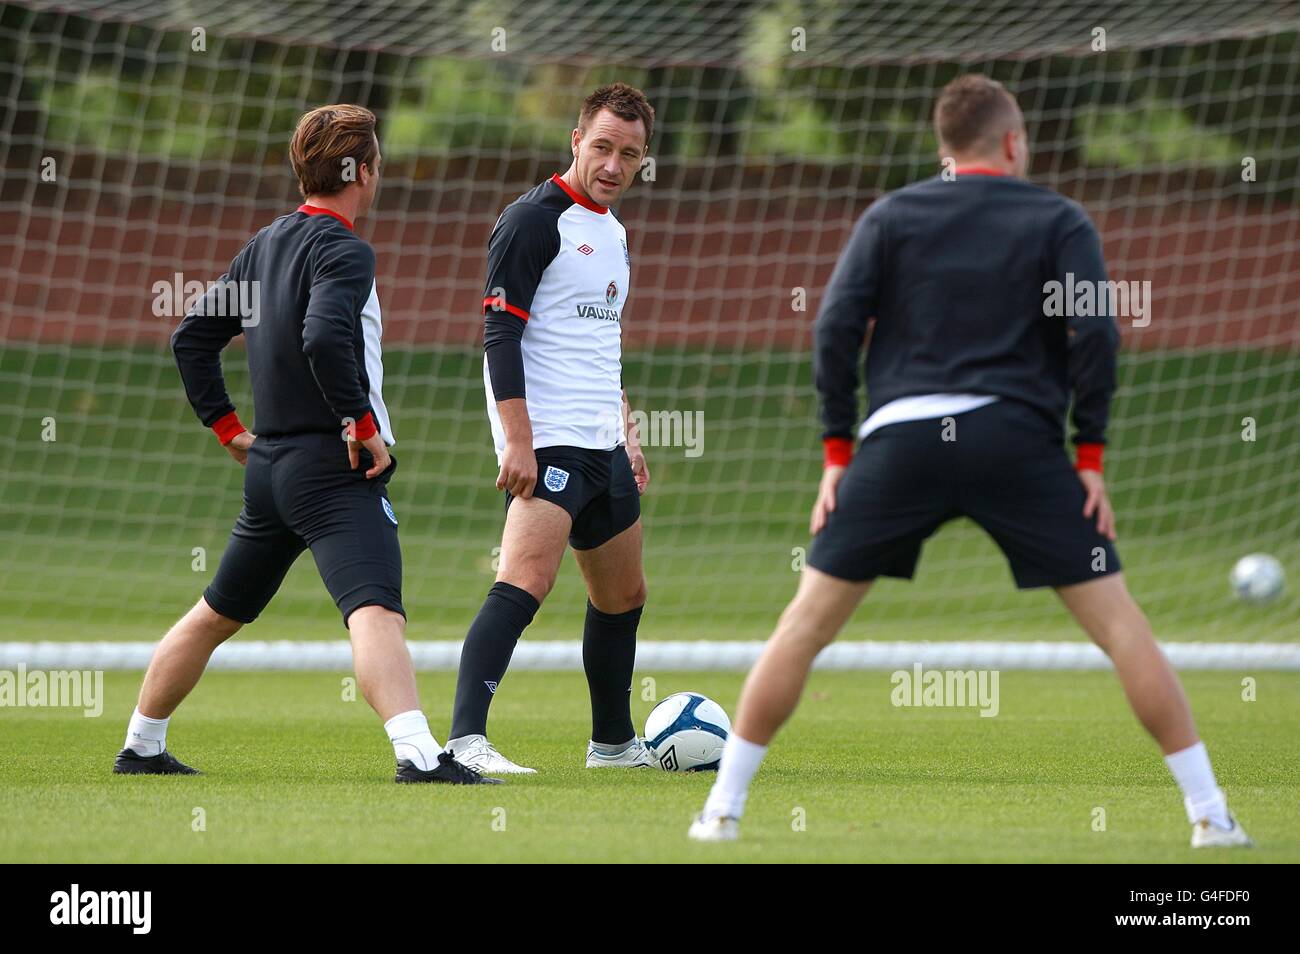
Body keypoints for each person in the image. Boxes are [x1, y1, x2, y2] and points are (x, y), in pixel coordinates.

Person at [690, 74, 1251, 848]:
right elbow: (1097, 338)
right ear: (1014, 141)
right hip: (1016, 444)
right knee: (1124, 629)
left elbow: (832, 329)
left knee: (804, 625)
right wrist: (1089, 456)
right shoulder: (1059, 218)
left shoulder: (891, 215)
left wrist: (835, 454)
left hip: (899, 445)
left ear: (944, 147)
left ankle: (721, 812)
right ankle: (1210, 818)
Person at [116, 104, 495, 785]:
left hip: (270, 472)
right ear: (365, 172)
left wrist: (230, 431)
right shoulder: (345, 248)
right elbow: (323, 336)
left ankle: (141, 745)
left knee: (216, 612)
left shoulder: (263, 247)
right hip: (331, 467)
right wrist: (362, 424)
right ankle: (419, 754)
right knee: (376, 610)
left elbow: (191, 339)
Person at [446, 83, 656, 774]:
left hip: (603, 444)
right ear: (575, 140)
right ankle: (465, 742)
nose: (613, 165)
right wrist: (516, 440)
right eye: (602, 147)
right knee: (525, 581)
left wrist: (627, 430)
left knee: (622, 595)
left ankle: (614, 746)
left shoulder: (616, 232)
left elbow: (603, 342)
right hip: (551, 439)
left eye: (629, 154)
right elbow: (499, 335)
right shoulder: (532, 220)